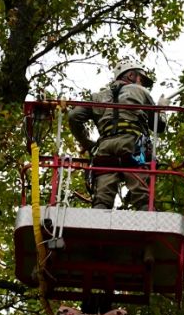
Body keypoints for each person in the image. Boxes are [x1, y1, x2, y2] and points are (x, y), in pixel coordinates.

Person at [68, 58, 167, 210]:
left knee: (102, 199)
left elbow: (74, 116)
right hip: (132, 147)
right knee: (143, 197)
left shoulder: (97, 97)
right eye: (140, 79)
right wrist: (162, 108)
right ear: (130, 75)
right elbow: (159, 125)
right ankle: (148, 226)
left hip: (105, 151)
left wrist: (87, 144)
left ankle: (97, 225)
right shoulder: (140, 92)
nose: (141, 84)